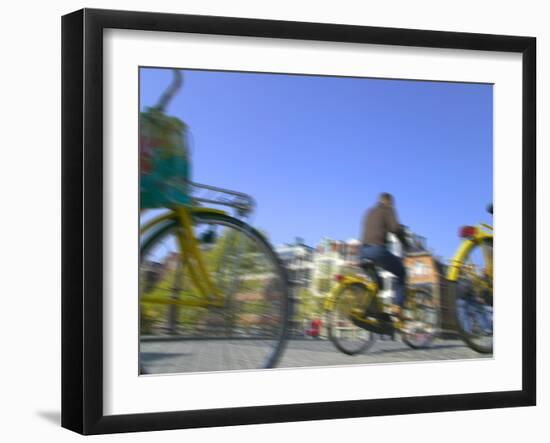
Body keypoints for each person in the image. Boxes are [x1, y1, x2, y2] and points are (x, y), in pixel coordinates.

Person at [360, 193, 410, 320]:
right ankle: (397, 307)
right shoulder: (388, 209)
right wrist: (406, 244)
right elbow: (395, 228)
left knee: (378, 284)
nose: (393, 205)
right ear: (388, 201)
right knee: (401, 272)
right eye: (392, 203)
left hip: (362, 252)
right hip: (377, 250)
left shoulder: (369, 211)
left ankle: (370, 311)